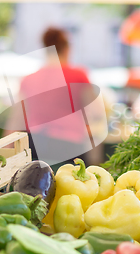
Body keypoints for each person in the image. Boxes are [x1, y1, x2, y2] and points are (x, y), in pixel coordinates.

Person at [7, 27, 94, 167]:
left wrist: (7, 151)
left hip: (36, 145)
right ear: (67, 49)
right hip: (70, 146)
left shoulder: (28, 80)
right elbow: (94, 113)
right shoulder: (79, 76)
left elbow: (16, 120)